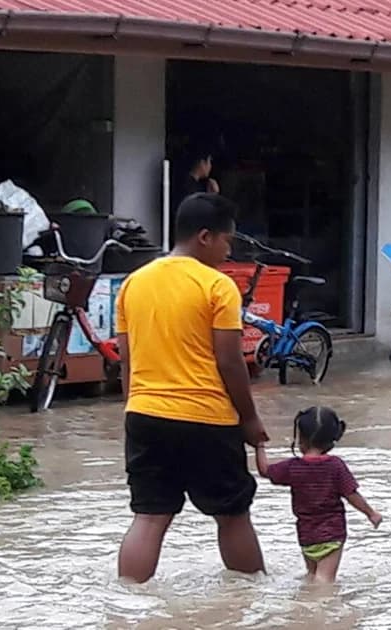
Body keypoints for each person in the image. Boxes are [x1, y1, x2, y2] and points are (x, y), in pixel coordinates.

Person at [114, 193, 269, 583]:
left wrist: (133, 409)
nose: (228, 251)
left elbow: (127, 361)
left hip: (144, 414)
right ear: (205, 236)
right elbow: (230, 361)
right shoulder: (218, 286)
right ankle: (253, 601)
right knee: (232, 515)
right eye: (227, 241)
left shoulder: (133, 283)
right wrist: (250, 419)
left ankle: (124, 603)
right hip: (207, 418)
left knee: (149, 516)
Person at [254, 406, 382, 584]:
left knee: (312, 575)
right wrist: (371, 513)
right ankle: (318, 602)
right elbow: (351, 494)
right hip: (332, 534)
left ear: (300, 438)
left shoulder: (293, 467)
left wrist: (259, 445)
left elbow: (264, 470)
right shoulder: (335, 466)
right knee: (324, 581)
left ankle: (304, 599)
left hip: (306, 535)